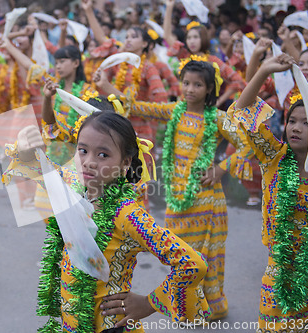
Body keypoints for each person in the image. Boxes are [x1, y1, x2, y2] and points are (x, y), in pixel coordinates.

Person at [3, 111, 210, 332]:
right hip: (70, 320)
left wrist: (149, 303)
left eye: (103, 155)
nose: (89, 162)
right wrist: (27, 142)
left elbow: (192, 263)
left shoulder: (128, 215)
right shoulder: (72, 185)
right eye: (82, 151)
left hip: (109, 326)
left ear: (125, 162)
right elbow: (36, 165)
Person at [95, 60, 254, 320]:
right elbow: (139, 106)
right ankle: (187, 307)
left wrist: (220, 170)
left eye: (198, 85)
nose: (190, 89)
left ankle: (212, 307)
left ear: (210, 88)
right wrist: (105, 85)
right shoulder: (175, 111)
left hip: (205, 199)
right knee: (181, 255)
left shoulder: (218, 118)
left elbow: (247, 144)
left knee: (207, 254)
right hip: (177, 196)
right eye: (186, 83)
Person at [228, 53, 308, 331]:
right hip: (278, 275)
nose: (296, 129)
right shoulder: (273, 159)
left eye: (307, 123)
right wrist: (264, 69)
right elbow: (242, 112)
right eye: (292, 121)